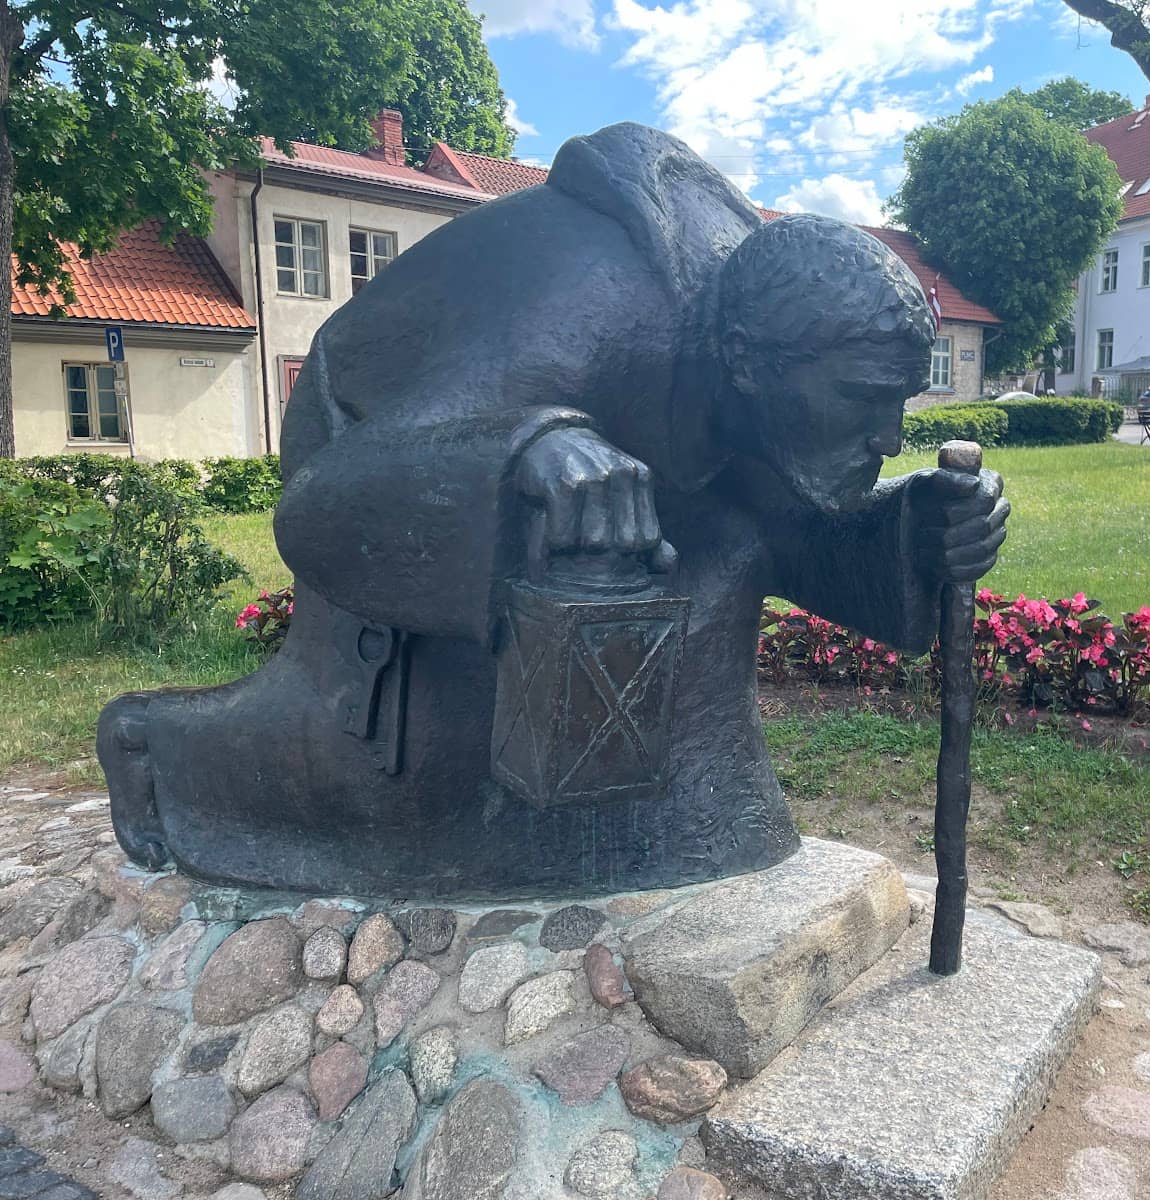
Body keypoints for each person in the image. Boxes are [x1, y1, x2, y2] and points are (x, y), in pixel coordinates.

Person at [99, 123, 1008, 898]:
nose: (889, 435)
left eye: (898, 400)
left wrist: (916, 537)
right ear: (743, 359)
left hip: (574, 459)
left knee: (723, 542)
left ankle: (672, 819)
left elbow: (775, 520)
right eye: (861, 399)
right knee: (414, 783)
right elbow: (325, 504)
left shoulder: (753, 325)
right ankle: (162, 749)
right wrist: (529, 447)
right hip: (393, 458)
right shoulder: (580, 303)